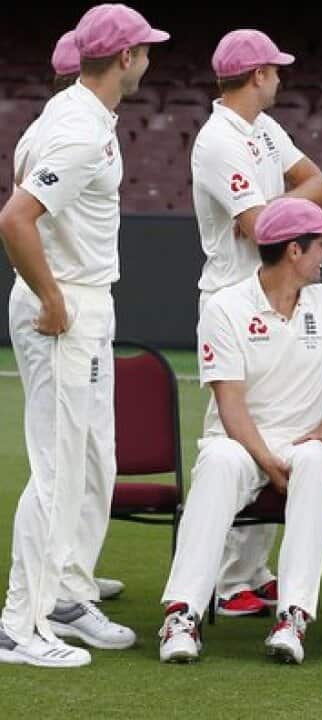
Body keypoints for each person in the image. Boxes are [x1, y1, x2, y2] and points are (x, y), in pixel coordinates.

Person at [0, 3, 166, 669]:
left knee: (95, 458)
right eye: (144, 51)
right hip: (64, 306)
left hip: (85, 301)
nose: (149, 61)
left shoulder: (82, 117)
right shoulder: (78, 131)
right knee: (60, 468)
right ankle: (20, 622)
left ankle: (66, 593)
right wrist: (52, 298)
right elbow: (15, 218)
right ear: (123, 58)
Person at [157, 198, 322, 664]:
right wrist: (266, 459)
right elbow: (231, 405)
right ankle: (182, 614)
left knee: (314, 458)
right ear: (293, 250)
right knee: (219, 461)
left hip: (305, 441)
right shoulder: (226, 307)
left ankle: (294, 617)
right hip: (242, 442)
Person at [192, 27, 322, 619]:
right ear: (257, 77)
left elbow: (319, 185)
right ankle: (225, 582)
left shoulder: (264, 129)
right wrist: (286, 211)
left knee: (286, 427)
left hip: (277, 292)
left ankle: (250, 571)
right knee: (231, 439)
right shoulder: (218, 139)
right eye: (274, 70)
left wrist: (282, 212)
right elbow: (264, 230)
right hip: (233, 298)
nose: (280, 77)